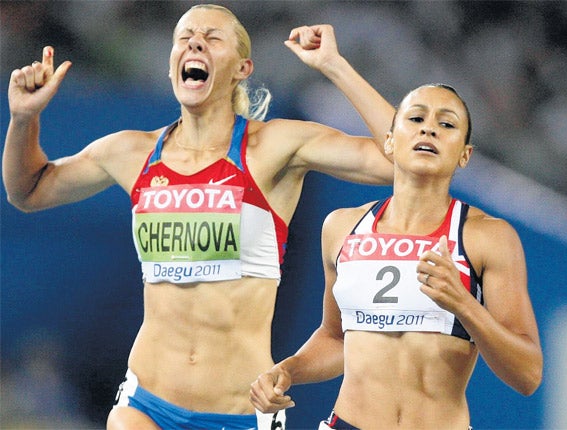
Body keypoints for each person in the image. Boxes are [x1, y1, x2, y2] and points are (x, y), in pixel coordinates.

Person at [3, 5, 395, 430]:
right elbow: (29, 190)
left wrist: (334, 67)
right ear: (173, 64)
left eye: (212, 37)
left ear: (242, 67)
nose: (194, 42)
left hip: (240, 412)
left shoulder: (274, 147)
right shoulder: (130, 151)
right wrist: (24, 118)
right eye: (185, 36)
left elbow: (399, 160)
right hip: (146, 401)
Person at [249, 83, 544, 429]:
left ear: (465, 154)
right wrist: (287, 369)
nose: (429, 128)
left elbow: (528, 375)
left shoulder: (486, 237)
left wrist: (464, 304)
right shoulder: (342, 228)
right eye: (416, 118)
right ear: (389, 141)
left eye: (446, 124)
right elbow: (335, 337)